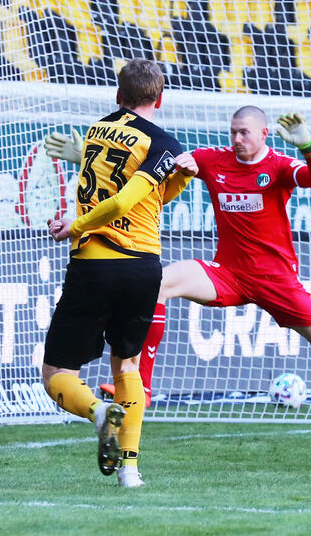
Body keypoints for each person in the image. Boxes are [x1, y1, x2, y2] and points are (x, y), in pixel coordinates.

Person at [46, 106, 311, 448]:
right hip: (230, 274)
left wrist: (307, 146)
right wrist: (84, 153)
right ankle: (143, 390)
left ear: (263, 134)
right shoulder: (213, 160)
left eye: (244, 133)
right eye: (233, 132)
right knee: (160, 282)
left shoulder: (279, 167)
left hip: (277, 282)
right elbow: (152, 166)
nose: (236, 139)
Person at [42, 58, 196, 488]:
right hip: (142, 267)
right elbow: (137, 202)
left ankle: (96, 413)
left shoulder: (96, 130)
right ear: (160, 98)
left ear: (117, 95)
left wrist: (76, 225)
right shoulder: (163, 142)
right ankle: (129, 471)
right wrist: (182, 178)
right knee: (128, 366)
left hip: (93, 263)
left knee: (57, 373)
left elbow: (124, 200)